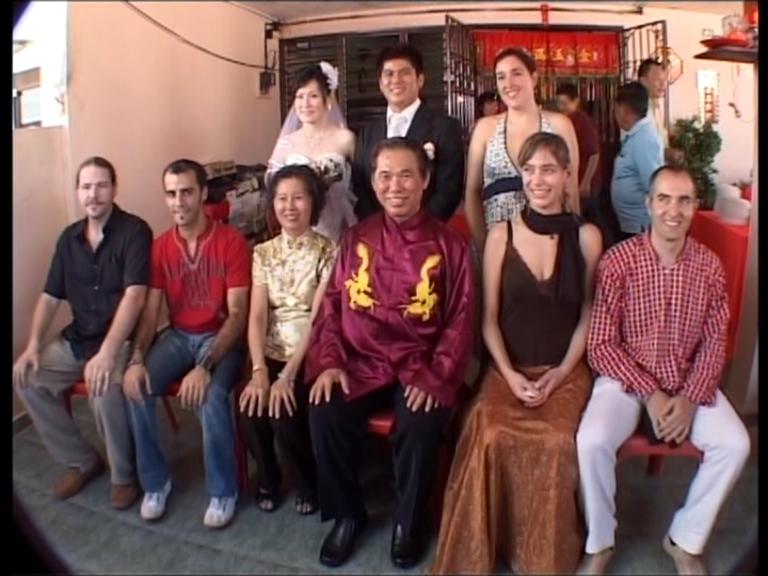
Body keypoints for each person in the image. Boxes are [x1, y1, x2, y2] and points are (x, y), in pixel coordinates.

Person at [432, 132, 602, 575]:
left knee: (558, 441)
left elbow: (588, 314)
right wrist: (509, 375)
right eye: (529, 170)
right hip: (508, 367)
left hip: (566, 369)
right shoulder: (500, 235)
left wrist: (561, 374)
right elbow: (487, 320)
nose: (538, 180)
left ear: (568, 175)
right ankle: (492, 545)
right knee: (489, 432)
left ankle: (541, 556)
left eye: (549, 170)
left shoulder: (587, 237)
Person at [307, 138, 475, 569]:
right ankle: (347, 514)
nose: (394, 186)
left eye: (405, 176)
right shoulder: (356, 238)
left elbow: (461, 319)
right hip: (360, 362)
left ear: (425, 180)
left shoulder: (450, 245)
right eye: (385, 176)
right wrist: (329, 362)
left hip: (421, 364)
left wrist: (436, 377)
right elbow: (331, 307)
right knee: (324, 409)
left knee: (419, 424)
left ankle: (408, 522)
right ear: (373, 182)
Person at [576, 165, 751, 575]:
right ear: (649, 204)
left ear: (695, 206)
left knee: (735, 443)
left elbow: (714, 343)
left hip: (688, 381)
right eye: (665, 199)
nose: (674, 210)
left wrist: (689, 399)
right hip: (625, 380)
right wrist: (649, 393)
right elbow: (600, 344)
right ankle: (600, 542)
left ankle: (684, 540)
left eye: (684, 200)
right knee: (591, 441)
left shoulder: (709, 267)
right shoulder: (618, 261)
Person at [13, 156, 152, 510]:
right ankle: (82, 460)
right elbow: (49, 297)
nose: (94, 194)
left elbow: (135, 296)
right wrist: (32, 346)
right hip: (78, 338)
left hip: (120, 340)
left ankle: (124, 475)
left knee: (103, 388)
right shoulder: (68, 239)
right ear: (78, 192)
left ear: (114, 189)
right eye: (86, 186)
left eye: (101, 185)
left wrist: (107, 352)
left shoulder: (135, 231)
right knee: (27, 379)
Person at [123, 159, 250, 528]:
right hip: (179, 336)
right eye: (171, 193)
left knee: (211, 396)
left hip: (222, 338)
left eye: (187, 192)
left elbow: (238, 315)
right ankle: (155, 483)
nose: (179, 201)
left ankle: (223, 491)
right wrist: (135, 359)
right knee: (137, 387)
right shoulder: (160, 247)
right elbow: (150, 315)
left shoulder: (231, 242)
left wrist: (204, 366)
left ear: (203, 193)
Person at [238, 165, 336, 515]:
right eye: (282, 198)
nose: (289, 206)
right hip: (269, 350)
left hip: (309, 352)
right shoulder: (262, 253)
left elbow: (318, 318)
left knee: (283, 411)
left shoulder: (328, 250)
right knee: (250, 406)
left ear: (314, 203)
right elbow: (257, 316)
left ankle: (309, 482)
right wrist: (259, 370)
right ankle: (269, 477)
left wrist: (288, 374)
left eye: (298, 198)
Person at [464, 46, 580, 254]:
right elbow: (472, 193)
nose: (508, 84)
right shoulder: (485, 128)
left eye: (516, 73)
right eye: (501, 77)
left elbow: (571, 191)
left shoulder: (559, 124)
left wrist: (572, 247)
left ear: (533, 78)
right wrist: (486, 250)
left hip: (551, 243)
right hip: (497, 244)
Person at [351, 42, 465, 222]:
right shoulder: (368, 133)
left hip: (427, 231)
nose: (396, 80)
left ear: (420, 79)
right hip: (377, 233)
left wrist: (416, 228)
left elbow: (449, 189)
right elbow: (360, 186)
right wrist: (380, 229)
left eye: (404, 73)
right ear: (380, 83)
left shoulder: (445, 128)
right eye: (389, 74)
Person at [267, 62, 357, 242]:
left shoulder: (346, 139)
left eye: (313, 96)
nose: (305, 104)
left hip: (337, 227)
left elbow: (360, 183)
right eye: (300, 96)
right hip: (299, 229)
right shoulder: (286, 143)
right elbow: (273, 185)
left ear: (328, 100)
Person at [611, 81, 663, 240]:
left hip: (639, 225)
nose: (614, 115)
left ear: (624, 111)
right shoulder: (636, 135)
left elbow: (652, 184)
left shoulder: (644, 139)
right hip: (631, 223)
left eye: (616, 110)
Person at [556, 82, 601, 209]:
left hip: (585, 180)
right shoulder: (565, 120)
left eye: (564, 103)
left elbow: (594, 154)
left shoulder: (583, 122)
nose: (561, 107)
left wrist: (586, 182)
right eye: (559, 103)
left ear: (576, 101)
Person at [637, 58, 668, 148]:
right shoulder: (636, 109)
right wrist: (666, 153)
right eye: (658, 80)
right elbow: (641, 146)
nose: (663, 84)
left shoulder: (656, 104)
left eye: (664, 80)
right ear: (643, 81)